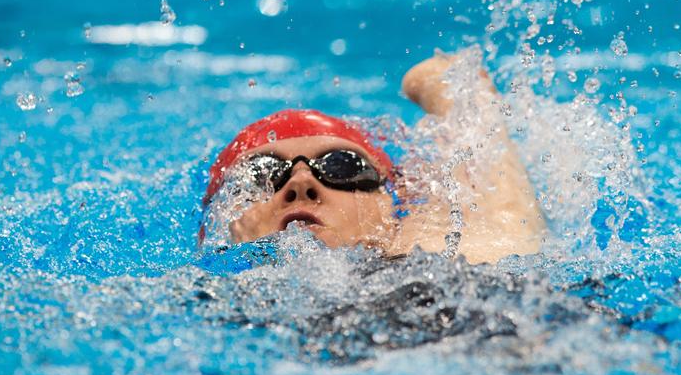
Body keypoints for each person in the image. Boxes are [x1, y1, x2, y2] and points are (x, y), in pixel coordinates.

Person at [201, 48, 545, 264]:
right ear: (217, 226)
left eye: (341, 166)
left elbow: (503, 222)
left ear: (390, 208)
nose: (302, 183)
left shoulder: (441, 268)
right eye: (261, 176)